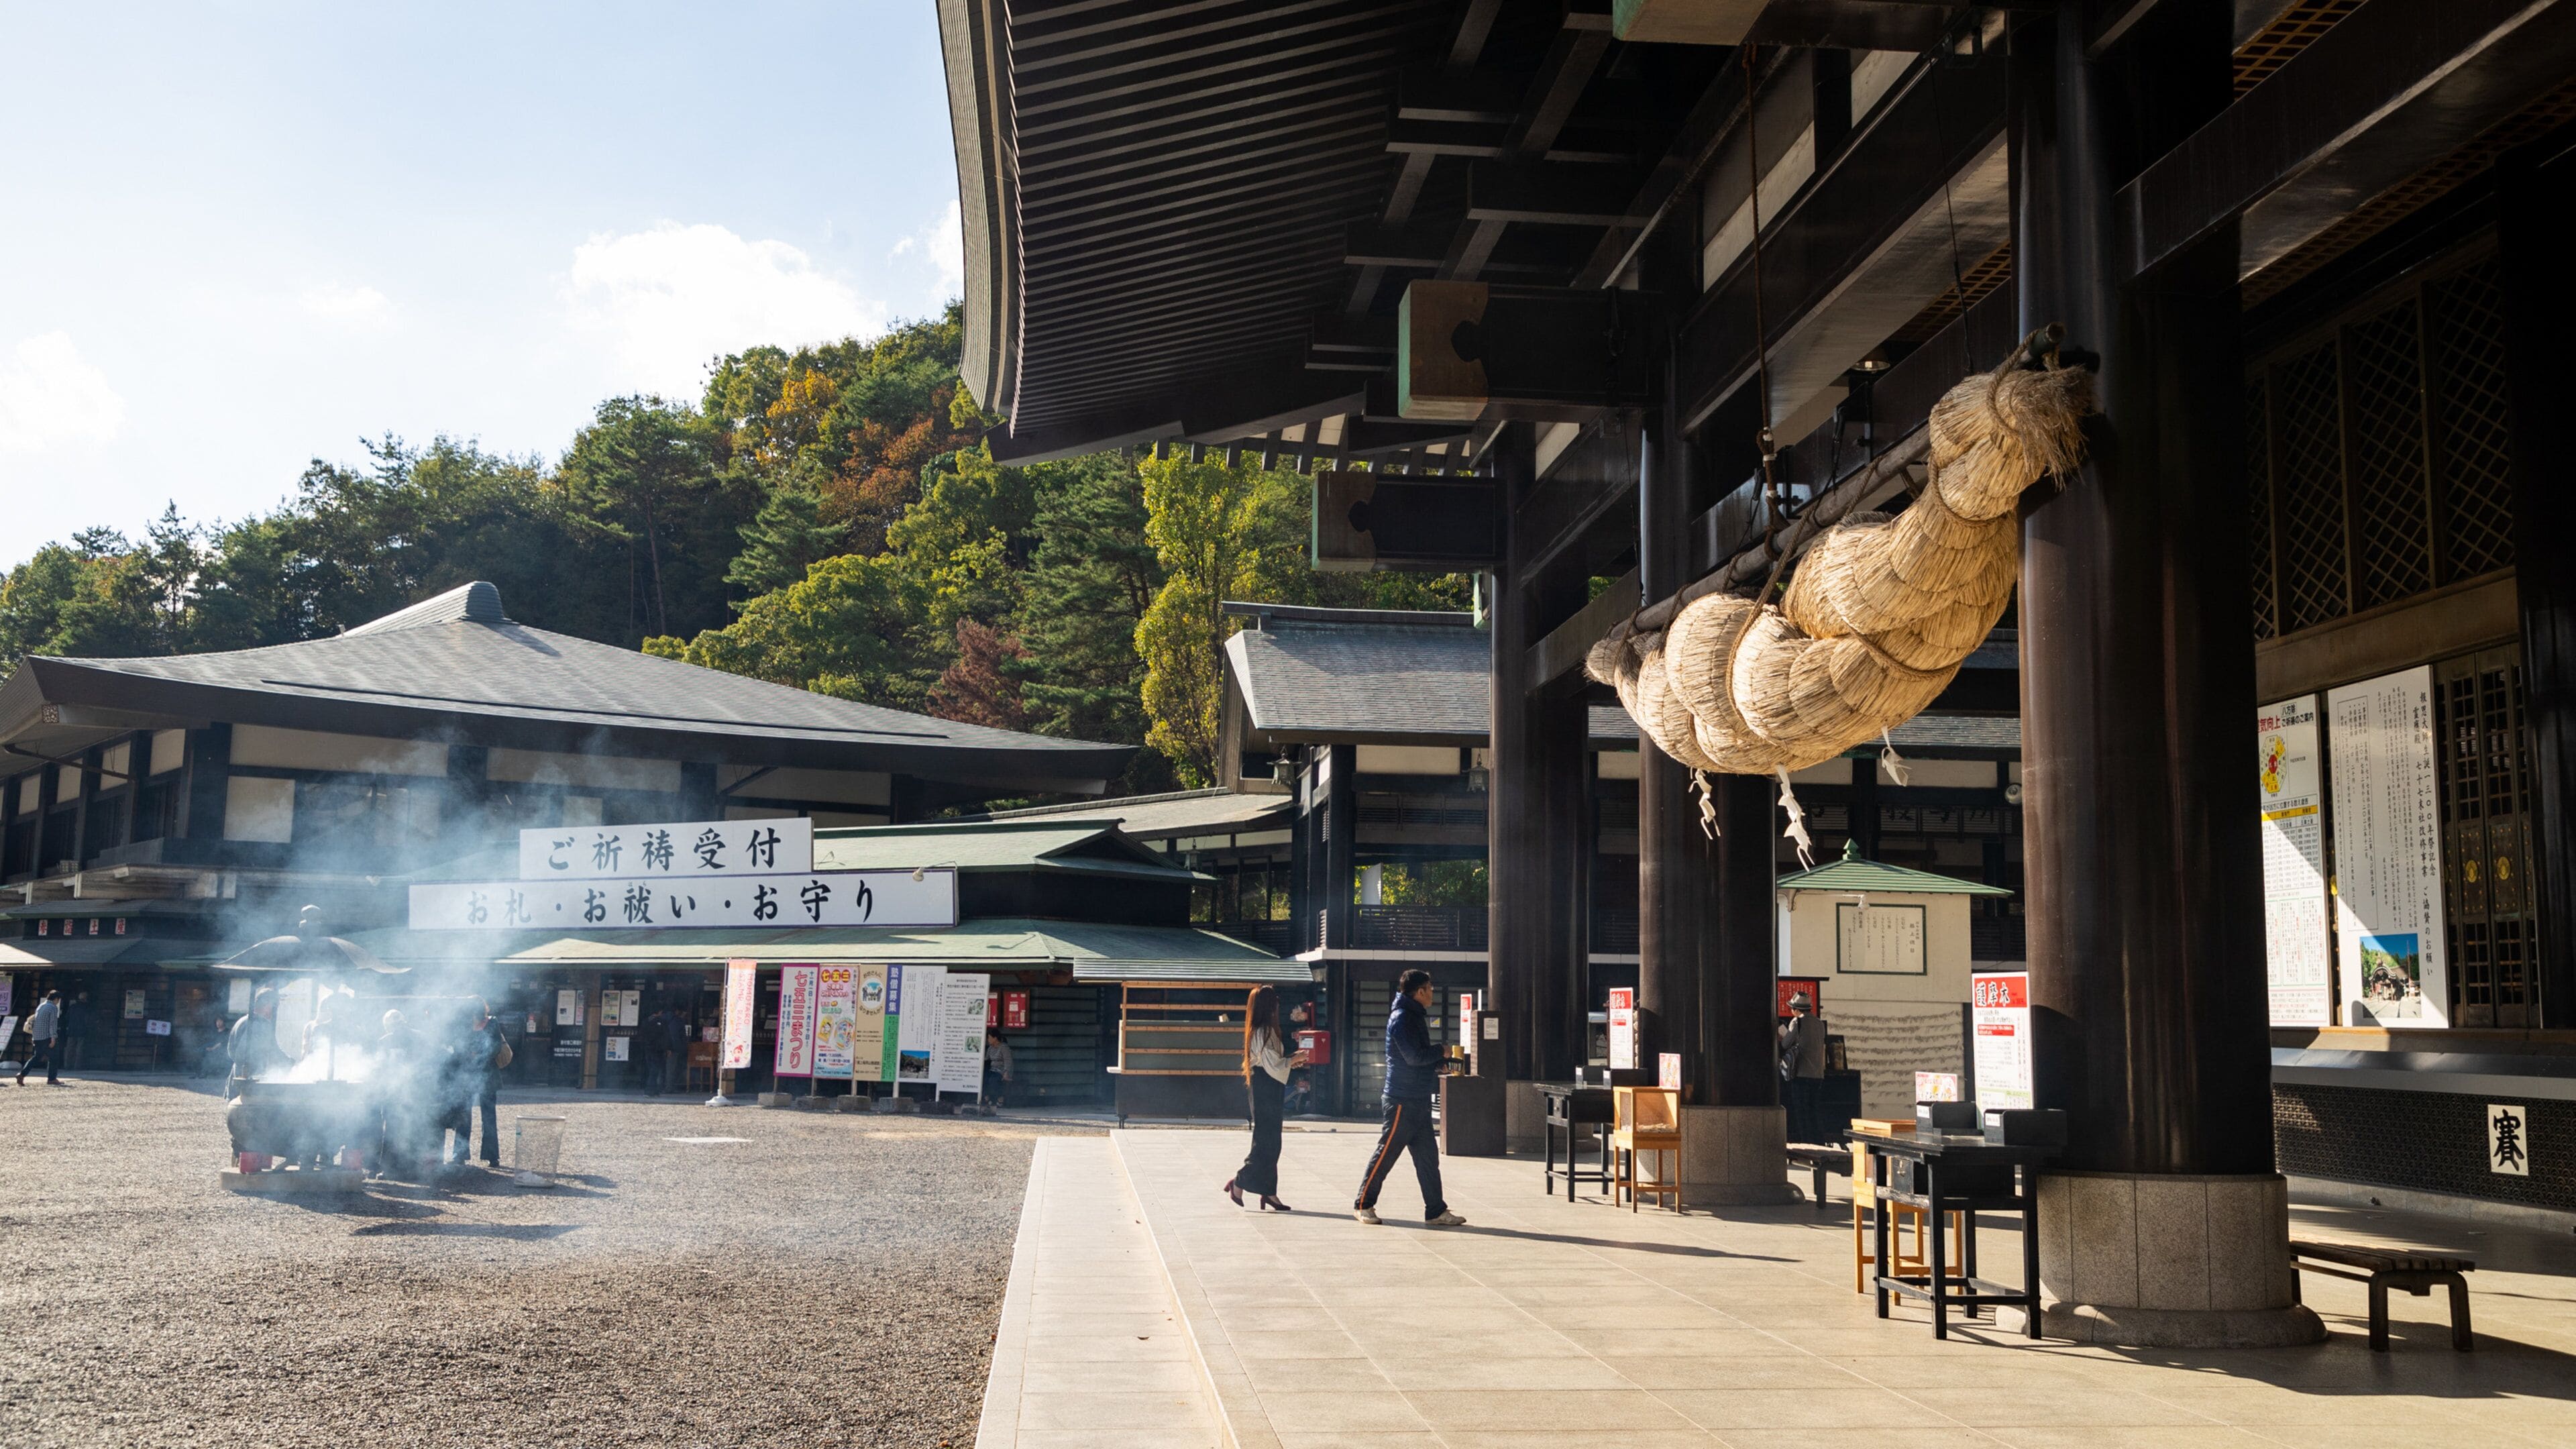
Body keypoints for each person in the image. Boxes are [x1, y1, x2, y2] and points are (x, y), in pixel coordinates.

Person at [1352, 970, 1464, 1227]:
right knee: (1386, 1154)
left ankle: (1436, 1210)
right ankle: (1363, 1204)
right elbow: (1414, 1057)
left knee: (1428, 1159)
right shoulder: (1402, 1018)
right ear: (1419, 992)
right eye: (1430, 987)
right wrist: (1442, 1051)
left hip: (1418, 1098)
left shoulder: (1413, 1016)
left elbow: (1416, 1057)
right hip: (1401, 1099)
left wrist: (1437, 1065)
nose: (1433, 991)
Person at [1224, 985, 1305, 1211]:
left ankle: (1268, 1192)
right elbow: (1272, 1064)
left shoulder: (1261, 1030)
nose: (1278, 1004)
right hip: (1266, 1085)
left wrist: (1291, 1060)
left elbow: (1272, 1062)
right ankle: (1240, 1181)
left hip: (1267, 1084)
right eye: (1274, 1000)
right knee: (1266, 1140)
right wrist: (1293, 1060)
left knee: (1271, 1139)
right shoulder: (1263, 1031)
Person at [447, 1002, 507, 1167]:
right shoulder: (463, 1025)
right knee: (464, 1115)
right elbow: (458, 1046)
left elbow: (495, 1047)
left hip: (487, 1075)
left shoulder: (492, 1023)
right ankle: (460, 1154)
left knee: (488, 1117)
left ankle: (492, 1156)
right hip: (467, 1076)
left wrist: (477, 1058)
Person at [1779, 991, 1829, 1144]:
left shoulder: (1797, 1022)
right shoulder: (1819, 1023)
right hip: (1817, 1074)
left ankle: (1807, 1144)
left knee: (1802, 1113)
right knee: (1814, 1111)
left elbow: (1785, 1044)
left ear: (1796, 1009)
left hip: (1801, 1074)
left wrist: (1781, 1036)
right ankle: (1819, 1143)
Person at [225, 989, 284, 1099]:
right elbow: (244, 1054)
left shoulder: (243, 1020)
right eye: (275, 1007)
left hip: (238, 1077)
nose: (275, 1011)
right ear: (268, 1005)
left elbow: (232, 1052)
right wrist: (292, 1064)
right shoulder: (259, 1024)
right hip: (251, 1083)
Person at [15, 991, 64, 1087]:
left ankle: (22, 1074)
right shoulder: (53, 1008)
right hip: (47, 1037)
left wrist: (34, 1037)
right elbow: (52, 1024)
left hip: (38, 1037)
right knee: (54, 1058)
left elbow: (35, 1023)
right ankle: (52, 1078)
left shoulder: (40, 1006)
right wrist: (53, 1038)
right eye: (58, 1000)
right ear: (56, 999)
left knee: (37, 1057)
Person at [981, 1028, 1014, 1107]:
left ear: (995, 1038)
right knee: (983, 1078)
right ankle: (987, 1099)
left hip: (1001, 1070)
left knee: (993, 1080)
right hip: (992, 1069)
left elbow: (1008, 1060)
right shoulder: (990, 1048)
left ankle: (1000, 1099)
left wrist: (1006, 1072)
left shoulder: (1004, 1047)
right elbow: (987, 1059)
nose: (988, 1040)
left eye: (989, 1038)